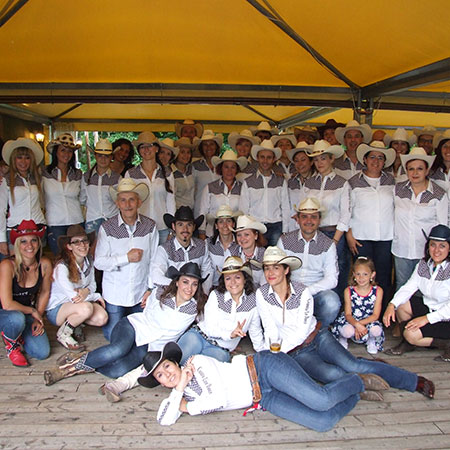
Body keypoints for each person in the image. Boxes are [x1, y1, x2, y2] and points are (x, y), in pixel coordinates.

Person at [254, 246, 435, 399]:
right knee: (332, 374)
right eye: (267, 268)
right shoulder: (261, 294)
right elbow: (269, 328)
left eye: (276, 268)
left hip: (316, 337)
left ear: (286, 270)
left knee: (353, 365)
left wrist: (280, 352)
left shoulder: (303, 292)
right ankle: (360, 384)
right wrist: (272, 352)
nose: (270, 273)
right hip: (296, 351)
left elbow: (302, 330)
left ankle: (413, 381)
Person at [140, 342, 408, 432]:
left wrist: (187, 406)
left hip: (263, 367)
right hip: (263, 397)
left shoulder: (197, 362)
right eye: (161, 376)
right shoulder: (179, 392)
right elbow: (164, 420)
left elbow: (218, 399)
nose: (167, 374)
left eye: (167, 367)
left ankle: (356, 380)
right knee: (323, 422)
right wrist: (179, 392)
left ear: (176, 362)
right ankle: (356, 394)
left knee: (321, 400)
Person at [43, 263, 207, 386]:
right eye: (185, 282)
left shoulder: (196, 309)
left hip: (150, 345)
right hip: (134, 327)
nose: (189, 288)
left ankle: (81, 359)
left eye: (194, 284)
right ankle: (67, 370)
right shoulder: (160, 294)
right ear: (177, 282)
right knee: (118, 350)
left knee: (118, 370)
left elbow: (211, 324)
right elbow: (148, 310)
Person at [94, 178, 159, 341]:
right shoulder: (107, 228)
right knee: (113, 339)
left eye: (132, 199)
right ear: (117, 203)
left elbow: (155, 261)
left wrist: (151, 289)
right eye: (123, 200)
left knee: (140, 339)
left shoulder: (150, 226)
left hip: (140, 293)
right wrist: (126, 258)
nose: (128, 204)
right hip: (116, 295)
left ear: (139, 202)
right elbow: (99, 262)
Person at [177, 256, 264, 364]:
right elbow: (209, 328)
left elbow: (255, 331)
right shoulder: (216, 295)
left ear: (244, 279)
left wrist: (264, 353)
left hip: (220, 350)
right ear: (224, 281)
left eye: (237, 277)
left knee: (200, 372)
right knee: (176, 361)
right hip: (199, 336)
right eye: (228, 278)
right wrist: (230, 334)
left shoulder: (252, 301)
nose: (232, 282)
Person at [384, 225, 450, 361]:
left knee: (411, 335)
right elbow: (409, 287)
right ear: (428, 246)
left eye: (442, 246)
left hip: (445, 317)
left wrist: (425, 319)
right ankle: (409, 343)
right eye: (433, 245)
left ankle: (445, 343)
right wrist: (392, 305)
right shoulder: (424, 264)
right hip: (429, 308)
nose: (436, 250)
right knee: (401, 305)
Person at [277, 198, 340, 328]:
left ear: (319, 220)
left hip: (315, 293)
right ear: (297, 219)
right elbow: (276, 270)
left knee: (332, 302)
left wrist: (307, 291)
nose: (309, 221)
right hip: (288, 291)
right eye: (304, 217)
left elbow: (332, 279)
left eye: (313, 217)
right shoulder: (285, 240)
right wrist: (286, 291)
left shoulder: (328, 245)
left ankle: (317, 331)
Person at [346, 141, 396, 305]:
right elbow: (346, 210)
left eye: (380, 158)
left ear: (384, 162)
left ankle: (381, 316)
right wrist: (349, 234)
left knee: (383, 276)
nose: (376, 161)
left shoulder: (392, 182)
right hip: (361, 237)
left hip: (386, 237)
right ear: (365, 160)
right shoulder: (353, 182)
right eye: (372, 157)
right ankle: (360, 312)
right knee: (361, 276)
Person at [392, 147, 447, 291]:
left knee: (425, 288)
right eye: (411, 169)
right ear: (406, 170)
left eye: (419, 169)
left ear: (427, 170)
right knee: (402, 286)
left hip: (426, 251)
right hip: (401, 248)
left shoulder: (439, 194)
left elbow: (442, 227)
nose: (415, 173)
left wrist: (439, 252)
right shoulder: (397, 190)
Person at [45, 225, 108, 350]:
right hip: (57, 309)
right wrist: (95, 295)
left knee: (102, 318)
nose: (82, 245)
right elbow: (74, 297)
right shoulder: (62, 267)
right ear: (69, 246)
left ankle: (76, 323)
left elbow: (93, 284)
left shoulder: (88, 260)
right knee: (86, 308)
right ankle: (63, 334)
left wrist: (86, 291)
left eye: (84, 240)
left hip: (77, 303)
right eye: (76, 242)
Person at [301, 139, 350, 296]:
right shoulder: (309, 183)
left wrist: (335, 239)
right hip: (312, 233)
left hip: (333, 232)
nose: (319, 162)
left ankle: (337, 305)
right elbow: (302, 208)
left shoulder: (342, 183)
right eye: (316, 159)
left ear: (331, 159)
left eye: (323, 158)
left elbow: (346, 213)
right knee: (314, 269)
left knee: (337, 270)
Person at [0, 220, 52, 366]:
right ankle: (12, 345)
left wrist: (38, 318)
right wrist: (33, 310)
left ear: (39, 242)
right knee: (15, 319)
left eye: (33, 241)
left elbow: (44, 292)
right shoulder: (7, 265)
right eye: (23, 241)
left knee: (42, 353)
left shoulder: (44, 264)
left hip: (26, 314)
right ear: (17, 245)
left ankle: (18, 332)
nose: (29, 246)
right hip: (6, 313)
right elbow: (7, 304)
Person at [126, 131, 175, 244]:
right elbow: (128, 203)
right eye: (142, 147)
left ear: (156, 149)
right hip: (140, 227)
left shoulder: (167, 173)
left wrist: (172, 228)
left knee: (162, 260)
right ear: (139, 151)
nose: (146, 149)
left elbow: (170, 202)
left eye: (149, 146)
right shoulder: (131, 174)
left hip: (162, 227)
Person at [149, 206, 213, 294]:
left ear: (194, 227)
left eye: (189, 225)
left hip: (196, 295)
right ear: (173, 226)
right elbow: (156, 275)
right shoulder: (164, 249)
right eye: (180, 224)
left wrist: (203, 293)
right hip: (172, 295)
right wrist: (180, 288)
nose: (185, 229)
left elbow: (207, 271)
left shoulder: (202, 246)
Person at [239, 139, 290, 246]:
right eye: (262, 157)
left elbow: (285, 207)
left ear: (274, 159)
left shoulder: (281, 181)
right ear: (257, 158)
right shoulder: (248, 182)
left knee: (275, 259)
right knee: (257, 259)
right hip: (255, 226)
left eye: (269, 157)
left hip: (276, 226)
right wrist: (247, 230)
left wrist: (285, 231)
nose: (265, 161)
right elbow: (244, 209)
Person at [0, 137, 45, 258]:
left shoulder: (37, 177)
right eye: (19, 157)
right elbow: (1, 210)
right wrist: (2, 239)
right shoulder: (6, 179)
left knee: (35, 268)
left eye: (27, 157)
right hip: (15, 229)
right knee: (13, 269)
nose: (23, 161)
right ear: (13, 159)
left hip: (37, 228)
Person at [331, 256, 384, 354]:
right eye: (358, 274)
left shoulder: (378, 291)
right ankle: (343, 338)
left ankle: (371, 340)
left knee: (376, 330)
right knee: (348, 331)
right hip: (352, 320)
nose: (361, 278)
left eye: (365, 274)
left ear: (372, 275)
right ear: (354, 274)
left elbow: (375, 315)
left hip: (368, 320)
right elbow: (348, 314)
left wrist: (361, 324)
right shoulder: (349, 290)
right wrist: (356, 324)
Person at [42, 133, 84, 255]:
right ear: (56, 152)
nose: (66, 154)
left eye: (70, 151)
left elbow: (82, 197)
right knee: (59, 258)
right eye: (63, 150)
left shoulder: (77, 174)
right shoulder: (44, 172)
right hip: (55, 223)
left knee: (78, 257)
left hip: (76, 220)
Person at [198, 149, 247, 238]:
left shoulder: (243, 188)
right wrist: (202, 232)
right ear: (221, 168)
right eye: (226, 167)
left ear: (237, 169)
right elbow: (203, 211)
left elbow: (245, 212)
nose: (229, 170)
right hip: (212, 233)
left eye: (233, 167)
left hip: (235, 233)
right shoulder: (210, 187)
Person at [80, 138, 120, 235]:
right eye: (100, 156)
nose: (103, 159)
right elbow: (82, 199)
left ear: (111, 157)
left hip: (112, 219)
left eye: (106, 156)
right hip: (92, 219)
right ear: (95, 156)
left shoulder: (117, 178)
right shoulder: (86, 177)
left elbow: (119, 199)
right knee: (93, 248)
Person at [205, 205, 240, 287]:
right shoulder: (208, 244)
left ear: (233, 224)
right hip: (214, 287)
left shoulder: (240, 244)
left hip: (235, 287)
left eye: (228, 221)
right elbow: (206, 270)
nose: (225, 225)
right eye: (221, 222)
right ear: (216, 226)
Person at [285, 141, 314, 231]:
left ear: (311, 162)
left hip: (311, 227)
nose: (300, 164)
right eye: (296, 161)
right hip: (293, 226)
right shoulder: (290, 182)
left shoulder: (318, 181)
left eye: (303, 160)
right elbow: (286, 205)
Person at [192, 130, 222, 216]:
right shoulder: (195, 166)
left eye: (211, 144)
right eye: (205, 144)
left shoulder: (222, 165)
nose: (208, 147)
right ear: (201, 147)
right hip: (200, 210)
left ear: (216, 146)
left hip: (219, 212)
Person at [233, 214, 267, 288]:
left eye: (246, 234)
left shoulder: (265, 255)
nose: (242, 239)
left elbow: (265, 284)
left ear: (256, 235)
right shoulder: (232, 253)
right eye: (239, 235)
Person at [171, 137, 194, 209]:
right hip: (178, 212)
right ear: (177, 153)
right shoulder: (171, 173)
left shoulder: (191, 170)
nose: (186, 155)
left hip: (192, 211)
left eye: (188, 152)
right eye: (182, 152)